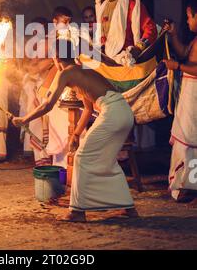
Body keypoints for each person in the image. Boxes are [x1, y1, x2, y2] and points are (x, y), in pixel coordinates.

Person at [13, 39, 137, 222]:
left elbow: (48, 104)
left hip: (113, 113)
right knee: (106, 160)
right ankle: (128, 207)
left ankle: (77, 211)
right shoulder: (82, 69)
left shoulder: (66, 73)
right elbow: (87, 107)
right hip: (124, 112)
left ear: (56, 57)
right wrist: (77, 134)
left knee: (82, 157)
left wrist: (24, 119)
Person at [163, 0, 197, 203]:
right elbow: (184, 53)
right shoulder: (195, 40)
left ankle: (193, 188)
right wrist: (173, 34)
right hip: (189, 96)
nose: (188, 21)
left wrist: (177, 67)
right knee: (187, 142)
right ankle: (187, 186)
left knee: (193, 143)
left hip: (195, 97)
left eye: (189, 17)